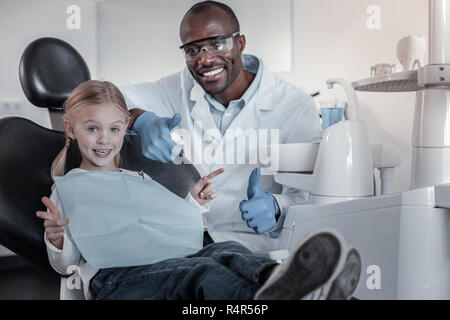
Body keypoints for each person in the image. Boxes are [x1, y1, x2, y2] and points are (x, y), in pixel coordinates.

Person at [36, 80, 361, 300]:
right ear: (71, 128)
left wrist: (196, 202)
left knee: (224, 251)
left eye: (114, 129)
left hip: (161, 258)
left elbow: (171, 227)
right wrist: (57, 240)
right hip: (114, 279)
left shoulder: (137, 179)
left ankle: (284, 281)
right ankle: (260, 300)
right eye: (92, 129)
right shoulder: (69, 188)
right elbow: (66, 266)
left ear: (124, 129)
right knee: (201, 271)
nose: (104, 139)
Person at [121, 1, 322, 253]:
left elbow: (311, 197)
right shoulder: (177, 87)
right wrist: (139, 118)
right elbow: (108, 95)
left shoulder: (294, 105)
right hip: (185, 238)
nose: (205, 59)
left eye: (218, 44)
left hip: (250, 245)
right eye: (193, 50)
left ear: (240, 43)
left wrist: (277, 205)